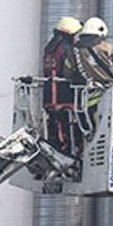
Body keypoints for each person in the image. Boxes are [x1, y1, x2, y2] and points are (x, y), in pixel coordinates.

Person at [41, 16, 82, 155]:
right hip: (63, 94)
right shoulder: (65, 48)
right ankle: (67, 150)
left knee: (54, 124)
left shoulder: (49, 49)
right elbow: (70, 70)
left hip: (49, 94)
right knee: (66, 126)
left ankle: (57, 147)